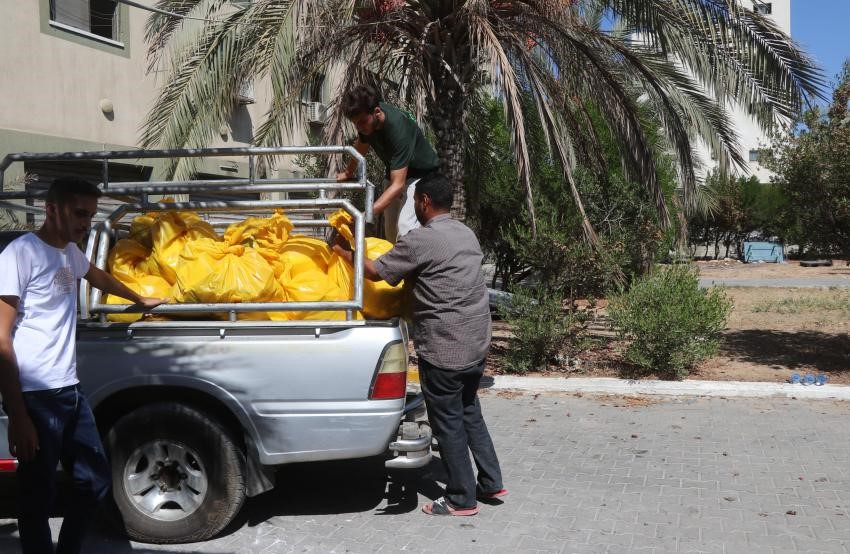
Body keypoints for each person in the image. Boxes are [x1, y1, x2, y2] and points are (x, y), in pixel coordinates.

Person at [0, 178, 167, 554]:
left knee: (93, 481)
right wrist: (18, 415)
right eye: (79, 213)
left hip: (70, 392)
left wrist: (138, 297)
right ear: (51, 208)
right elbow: (0, 338)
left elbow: (95, 274)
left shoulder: (68, 252)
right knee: (36, 499)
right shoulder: (19, 255)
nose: (85, 222)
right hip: (36, 398)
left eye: (90, 215)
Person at [333, 172, 505, 516]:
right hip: (475, 344)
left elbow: (376, 271)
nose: (413, 205)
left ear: (424, 201)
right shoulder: (465, 233)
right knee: (469, 410)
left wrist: (343, 250)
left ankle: (461, 498)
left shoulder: (420, 240)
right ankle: (490, 482)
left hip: (444, 348)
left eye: (414, 201)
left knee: (448, 422)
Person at [336, 83, 441, 243]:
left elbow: (398, 186)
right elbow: (362, 146)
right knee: (391, 232)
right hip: (396, 174)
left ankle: (414, 265)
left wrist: (364, 215)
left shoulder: (399, 129)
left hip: (422, 176)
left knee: (405, 228)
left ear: (377, 112)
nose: (359, 127)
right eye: (355, 123)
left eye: (362, 122)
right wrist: (348, 172)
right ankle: (396, 267)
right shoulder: (368, 122)